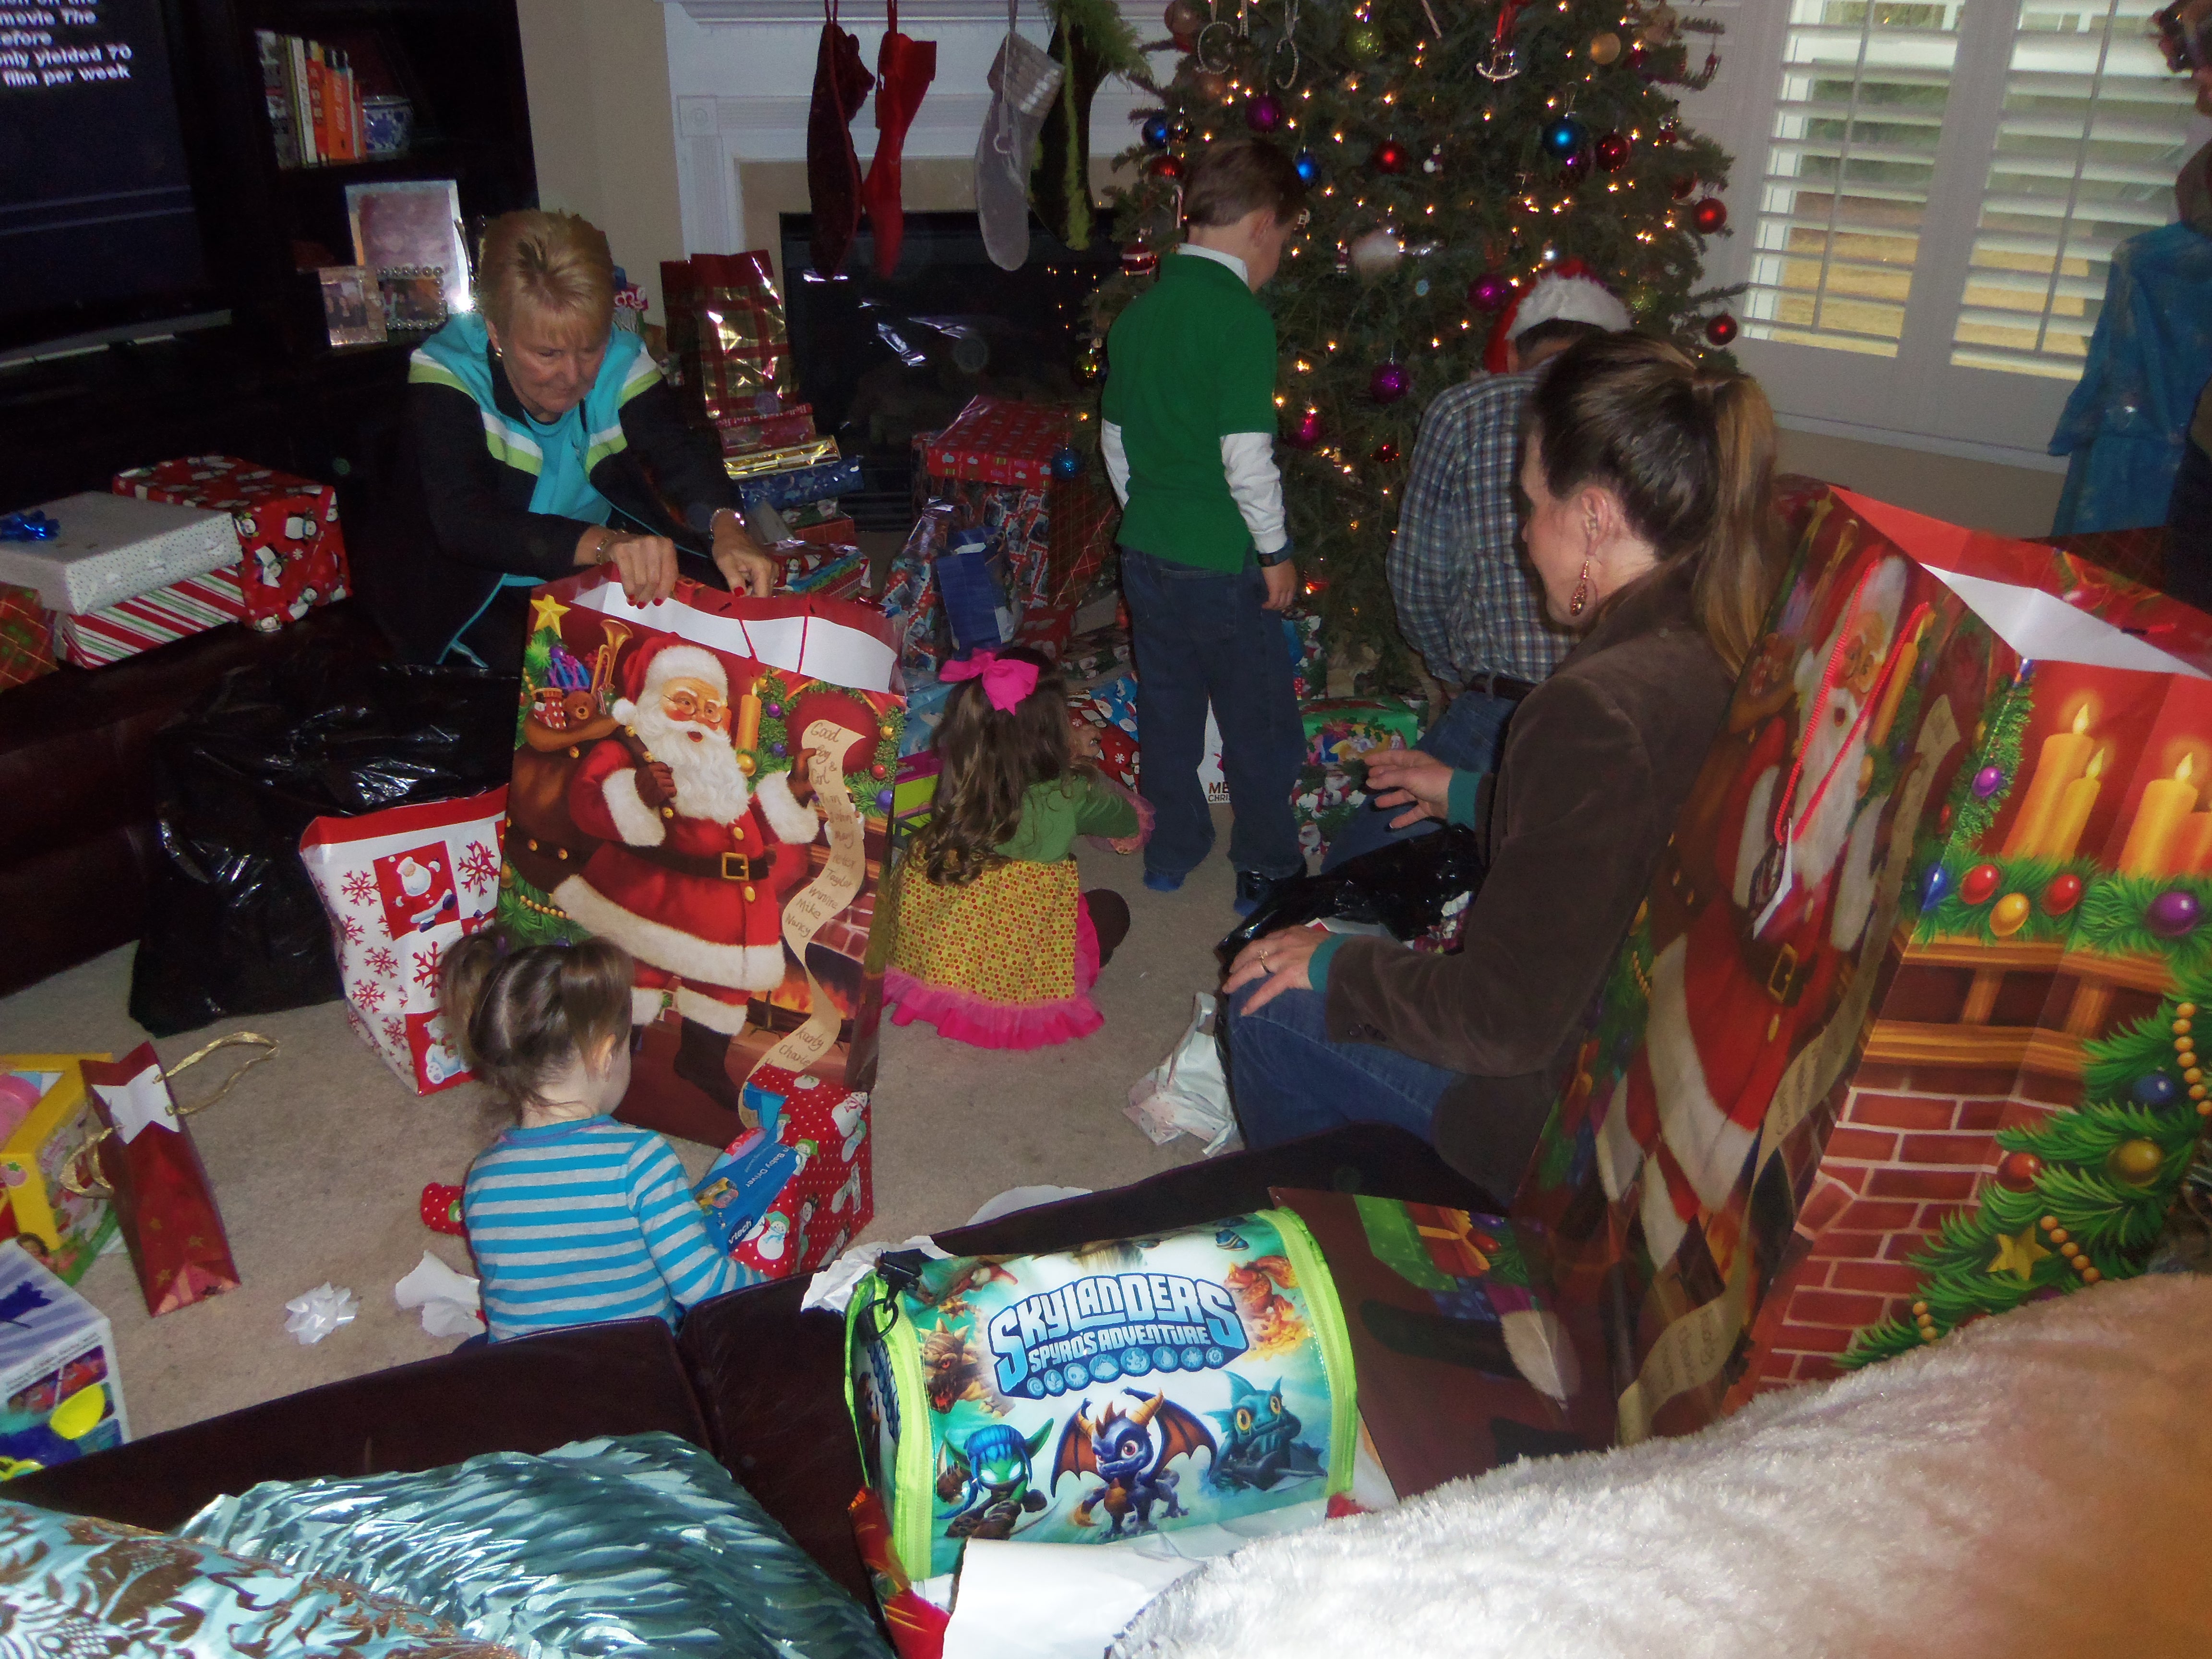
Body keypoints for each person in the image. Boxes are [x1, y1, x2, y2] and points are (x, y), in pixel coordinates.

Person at [1221, 333, 1783, 1202]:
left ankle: (1342, 1233)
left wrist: (1338, 964)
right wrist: (1466, 794)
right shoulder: (1723, 630)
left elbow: (1501, 1021)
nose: (1523, 534)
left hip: (1561, 1120)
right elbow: (1616, 842)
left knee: (1268, 998)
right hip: (1663, 1059)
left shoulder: (1596, 706)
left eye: (1531, 504)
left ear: (1592, 517)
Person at [375, 209, 779, 666]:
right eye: (548, 353)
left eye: (590, 347)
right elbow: (466, 523)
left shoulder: (621, 359)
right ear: (495, 332)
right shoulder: (448, 375)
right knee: (556, 672)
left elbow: (678, 454)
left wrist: (728, 527)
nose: (573, 375)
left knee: (713, 628)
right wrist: (607, 545)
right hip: (469, 591)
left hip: (581, 571)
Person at [1335, 270, 1632, 870]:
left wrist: (1452, 672)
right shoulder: (1645, 418)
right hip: (1617, 715)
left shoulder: (1464, 409)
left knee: (1351, 872)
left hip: (1508, 707)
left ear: (1515, 353)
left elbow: (1419, 572)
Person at [1101, 140, 1308, 916]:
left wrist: (1148, 513)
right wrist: (1275, 552)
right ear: (1261, 225)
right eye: (1284, 239)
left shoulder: (1137, 318)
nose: (1280, 255)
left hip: (1146, 552)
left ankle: (1171, 849)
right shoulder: (1239, 319)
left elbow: (1116, 443)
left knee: (1169, 708)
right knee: (1259, 720)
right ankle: (1265, 863)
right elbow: (1245, 456)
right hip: (1222, 560)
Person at [551, 636, 824, 1120]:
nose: (700, 716)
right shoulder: (629, 753)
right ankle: (614, 1051)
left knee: (723, 988)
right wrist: (635, 795)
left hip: (725, 911)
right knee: (635, 976)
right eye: (685, 701)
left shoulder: (718, 770)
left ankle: (701, 1061)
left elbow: (745, 823)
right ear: (652, 703)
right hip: (653, 901)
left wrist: (794, 794)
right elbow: (586, 804)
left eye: (711, 709)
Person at [445, 934, 754, 1341]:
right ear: (605, 1055)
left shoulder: (482, 1178)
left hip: (520, 1375)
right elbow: (703, 1286)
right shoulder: (641, 1160)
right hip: (636, 1370)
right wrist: (777, 1287)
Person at [886, 646, 1145, 1047]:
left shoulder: (962, 769)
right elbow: (1124, 821)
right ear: (1054, 728)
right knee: (1112, 909)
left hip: (942, 950)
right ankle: (1079, 968)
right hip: (1017, 955)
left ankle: (942, 980)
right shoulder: (1072, 789)